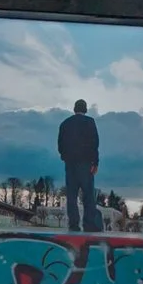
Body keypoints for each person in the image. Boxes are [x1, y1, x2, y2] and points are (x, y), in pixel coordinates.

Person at [57, 99, 102, 232]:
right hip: (86, 163)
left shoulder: (65, 124)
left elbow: (60, 144)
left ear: (74, 109)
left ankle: (73, 224)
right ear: (85, 109)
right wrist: (95, 162)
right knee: (88, 195)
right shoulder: (90, 122)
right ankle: (89, 224)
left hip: (70, 163)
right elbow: (95, 143)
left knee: (72, 195)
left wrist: (65, 157)